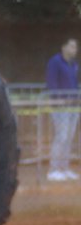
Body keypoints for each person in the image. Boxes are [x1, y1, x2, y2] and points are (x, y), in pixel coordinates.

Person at [47, 39, 80, 182]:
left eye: (76, 47)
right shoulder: (55, 62)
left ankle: (64, 168)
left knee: (69, 137)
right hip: (60, 106)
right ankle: (53, 169)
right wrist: (58, 98)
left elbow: (74, 83)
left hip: (73, 105)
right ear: (63, 47)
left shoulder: (74, 64)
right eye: (72, 46)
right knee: (61, 136)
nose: (75, 49)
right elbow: (51, 81)